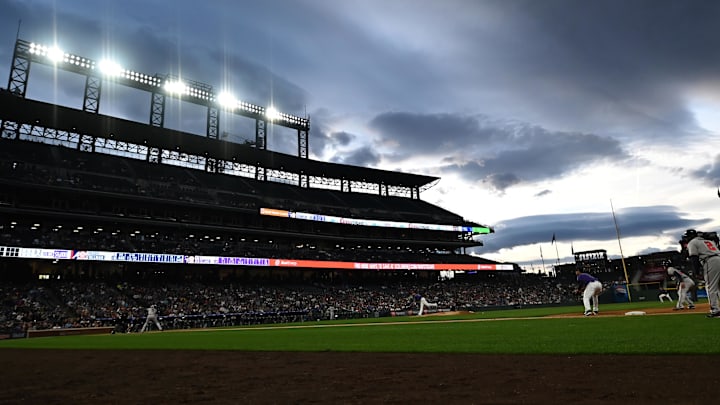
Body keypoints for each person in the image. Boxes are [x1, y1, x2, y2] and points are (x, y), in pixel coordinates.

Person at [685, 229, 720, 318]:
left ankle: (715, 311)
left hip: (710, 261)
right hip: (718, 257)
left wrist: (696, 272)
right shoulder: (707, 240)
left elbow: (694, 258)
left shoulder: (692, 242)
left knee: (710, 287)